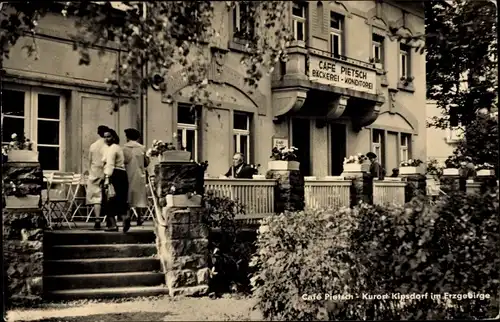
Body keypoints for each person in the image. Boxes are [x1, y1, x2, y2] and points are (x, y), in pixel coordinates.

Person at [102, 129, 129, 232]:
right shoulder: (118, 148)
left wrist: (107, 178)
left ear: (113, 137)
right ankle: (125, 216)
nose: (106, 139)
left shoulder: (112, 149)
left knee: (109, 199)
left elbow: (110, 164)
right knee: (120, 198)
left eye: (108, 136)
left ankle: (113, 224)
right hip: (122, 173)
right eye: (104, 137)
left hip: (114, 174)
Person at [123, 128, 149, 228]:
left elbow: (123, 161)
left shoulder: (124, 148)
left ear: (128, 137)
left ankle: (128, 215)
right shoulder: (142, 148)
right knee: (140, 196)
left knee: (128, 195)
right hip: (139, 174)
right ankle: (140, 217)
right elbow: (146, 162)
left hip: (128, 173)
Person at [86, 125, 109, 230]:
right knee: (108, 196)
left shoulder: (93, 145)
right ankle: (109, 219)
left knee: (96, 197)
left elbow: (90, 161)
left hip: (95, 172)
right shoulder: (108, 145)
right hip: (106, 171)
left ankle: (97, 219)